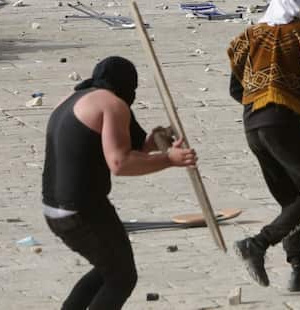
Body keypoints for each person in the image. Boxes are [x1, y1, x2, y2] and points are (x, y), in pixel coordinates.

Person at [41, 57, 198, 310]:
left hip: (55, 210)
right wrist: (169, 160)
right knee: (121, 277)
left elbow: (126, 146)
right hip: (82, 209)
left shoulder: (74, 98)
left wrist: (156, 141)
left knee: (108, 270)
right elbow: (120, 163)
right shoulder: (112, 105)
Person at [228, 0, 300, 293]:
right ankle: (257, 244)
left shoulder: (249, 35)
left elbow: (236, 89)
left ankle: (299, 271)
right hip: (284, 124)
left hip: (253, 126)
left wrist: (261, 95)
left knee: (289, 200)